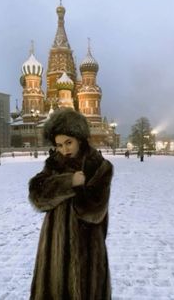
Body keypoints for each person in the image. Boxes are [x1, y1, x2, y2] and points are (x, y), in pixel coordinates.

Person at [28, 108, 113, 299]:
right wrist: (68, 182)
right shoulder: (54, 164)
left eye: (68, 143)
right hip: (54, 253)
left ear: (80, 139)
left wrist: (80, 189)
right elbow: (37, 195)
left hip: (86, 253)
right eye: (59, 145)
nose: (64, 150)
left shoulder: (99, 166)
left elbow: (95, 211)